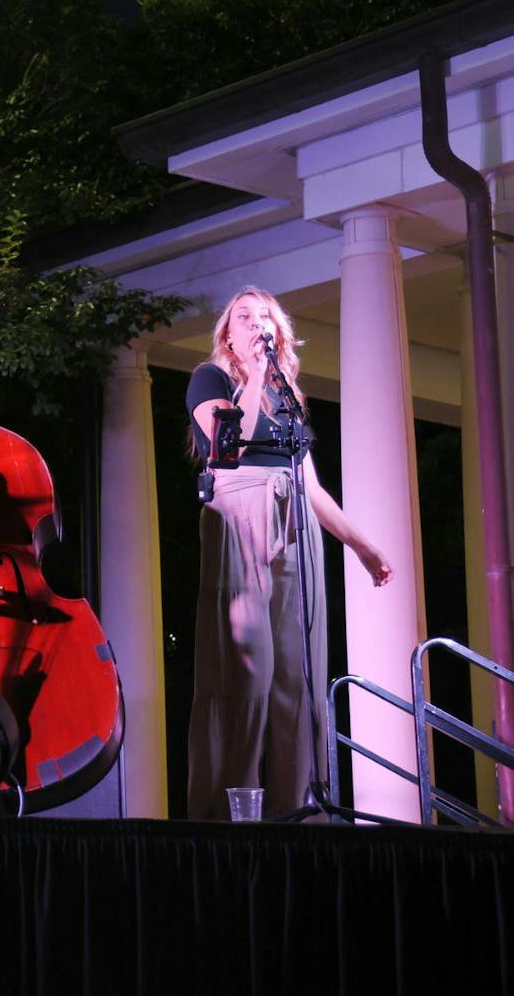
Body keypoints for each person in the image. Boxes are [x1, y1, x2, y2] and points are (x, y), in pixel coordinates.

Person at [186, 286, 392, 820]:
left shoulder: (290, 396)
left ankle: (292, 806)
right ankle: (233, 806)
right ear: (227, 333)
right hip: (241, 516)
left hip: (294, 518)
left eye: (266, 317)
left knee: (294, 674)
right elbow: (229, 444)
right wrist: (253, 375)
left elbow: (311, 484)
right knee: (247, 672)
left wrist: (364, 547)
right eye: (245, 317)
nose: (257, 325)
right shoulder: (210, 379)